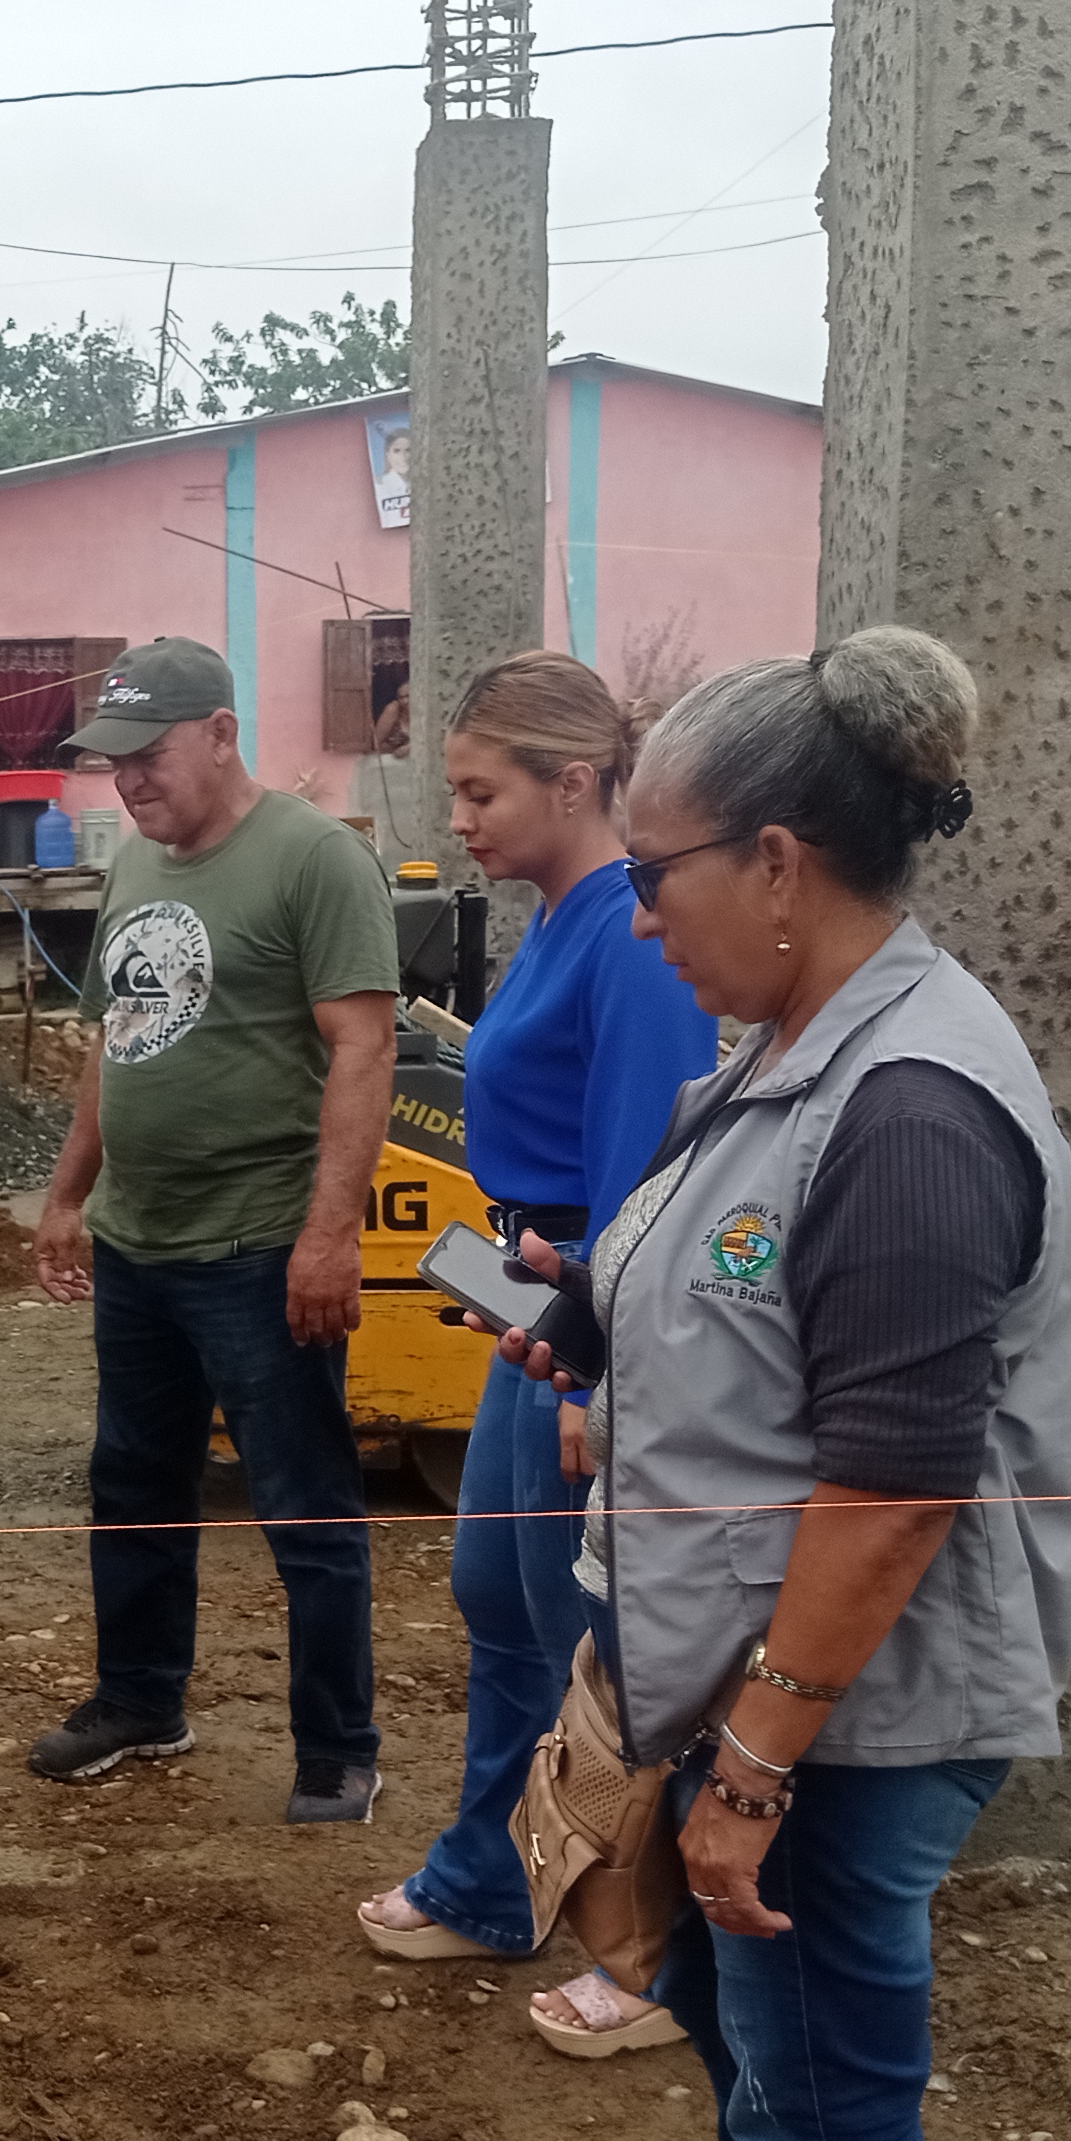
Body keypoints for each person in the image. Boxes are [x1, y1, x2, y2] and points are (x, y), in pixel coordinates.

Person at [509, 628, 1071, 2141]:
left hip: (860, 1708)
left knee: (828, 2096)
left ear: (776, 860)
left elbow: (894, 1479)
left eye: (656, 871)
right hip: (764, 1673)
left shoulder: (913, 1102)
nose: (639, 913)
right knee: (745, 2035)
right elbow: (741, 1274)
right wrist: (595, 1313)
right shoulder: (801, 1041)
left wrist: (755, 1764)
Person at [352, 654, 715, 2053]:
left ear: (574, 783)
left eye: (479, 792)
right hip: (534, 1292)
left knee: (616, 1636)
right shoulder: (559, 917)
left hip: (588, 1307)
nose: (460, 819)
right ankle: (499, 1876)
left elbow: (645, 1165)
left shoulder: (629, 933)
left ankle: (653, 1950)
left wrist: (606, 1376)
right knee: (502, 1591)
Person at [28, 637, 401, 1823]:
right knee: (134, 1481)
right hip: (139, 1242)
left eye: (149, 754)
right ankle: (141, 1698)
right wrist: (68, 1194)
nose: (129, 779)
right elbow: (116, 1039)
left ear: (222, 733)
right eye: (114, 761)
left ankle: (338, 1746)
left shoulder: (314, 859)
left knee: (304, 1503)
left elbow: (364, 1047)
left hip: (257, 1245)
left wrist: (329, 1235)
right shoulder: (136, 863)